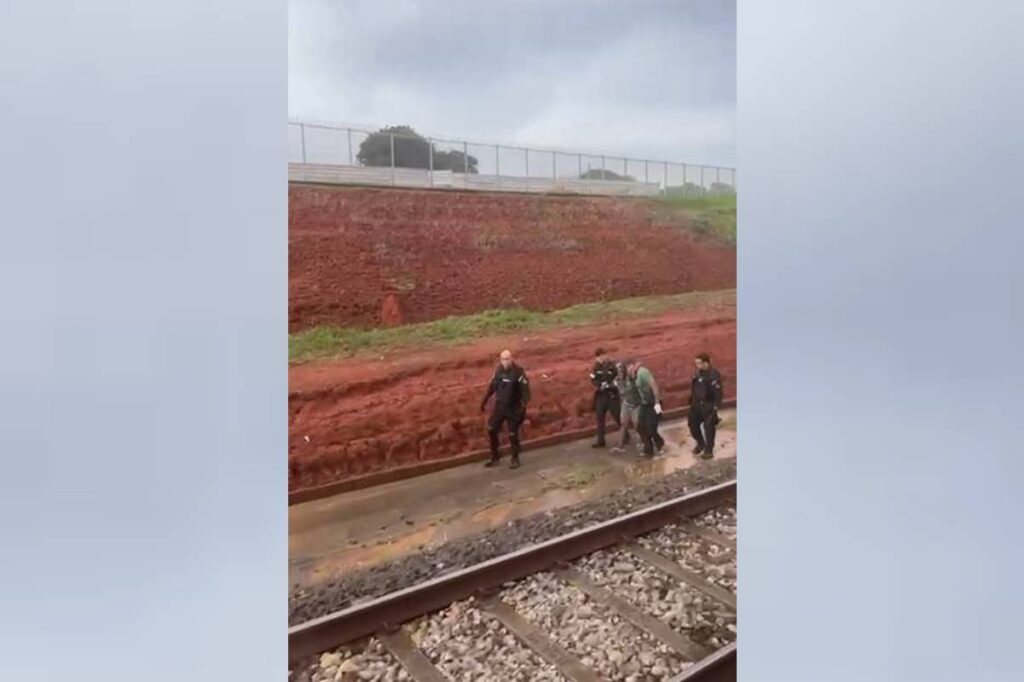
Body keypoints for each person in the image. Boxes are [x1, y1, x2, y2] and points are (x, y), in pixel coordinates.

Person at [480, 349, 531, 469]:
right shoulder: (498, 371)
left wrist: (523, 406)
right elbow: (492, 386)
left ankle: (515, 458)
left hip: (514, 407)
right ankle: (495, 457)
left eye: (507, 359)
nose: (505, 362)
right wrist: (485, 400)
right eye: (503, 359)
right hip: (500, 406)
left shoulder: (518, 373)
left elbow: (526, 391)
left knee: (513, 433)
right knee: (492, 429)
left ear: (512, 359)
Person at [688, 352, 723, 459]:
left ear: (706, 363)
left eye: (699, 363)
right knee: (692, 425)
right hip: (696, 405)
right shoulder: (697, 373)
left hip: (708, 405)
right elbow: (694, 388)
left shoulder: (713, 375)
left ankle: (709, 450)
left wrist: (715, 408)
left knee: (709, 428)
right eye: (696, 363)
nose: (697, 365)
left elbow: (718, 393)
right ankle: (700, 443)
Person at [629, 359, 665, 457]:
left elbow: (654, 386)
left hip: (653, 402)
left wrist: (657, 403)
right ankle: (648, 448)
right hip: (645, 403)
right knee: (641, 427)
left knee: (651, 427)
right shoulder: (633, 376)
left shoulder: (643, 372)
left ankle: (659, 444)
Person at [589, 347, 621, 448]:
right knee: (600, 419)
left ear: (605, 355)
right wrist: (599, 384)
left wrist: (611, 385)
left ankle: (626, 435)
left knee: (617, 417)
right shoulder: (596, 367)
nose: (600, 359)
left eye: (602, 357)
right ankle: (600, 441)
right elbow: (593, 378)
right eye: (598, 358)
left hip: (611, 395)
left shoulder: (612, 365)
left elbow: (619, 377)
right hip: (601, 396)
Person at [611, 359, 640, 453]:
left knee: (636, 423)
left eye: (621, 370)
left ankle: (644, 442)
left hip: (636, 403)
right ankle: (620, 446)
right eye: (618, 370)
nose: (619, 372)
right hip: (626, 403)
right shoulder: (617, 380)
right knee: (623, 424)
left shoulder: (631, 378)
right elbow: (620, 393)